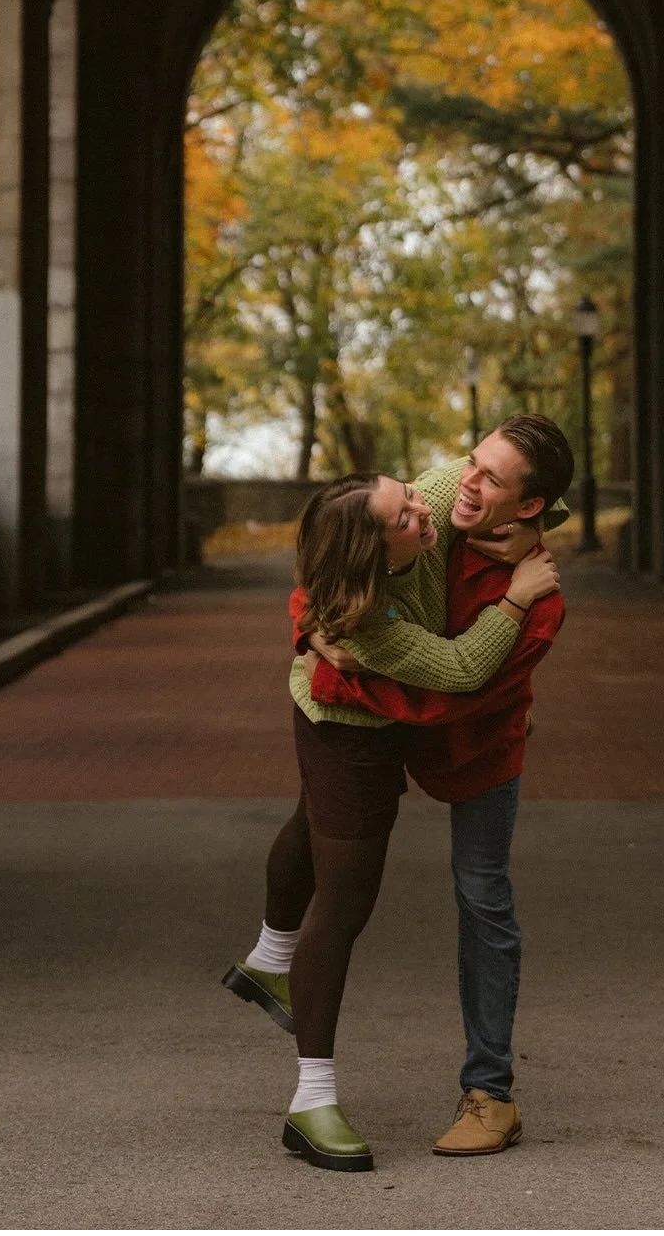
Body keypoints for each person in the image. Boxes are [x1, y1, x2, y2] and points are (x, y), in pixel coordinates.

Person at [223, 453, 562, 1173]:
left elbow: (511, 490)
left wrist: (531, 534)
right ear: (373, 557)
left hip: (357, 718)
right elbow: (462, 670)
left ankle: (269, 958)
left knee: (308, 826)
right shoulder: (367, 623)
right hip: (348, 732)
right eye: (405, 516)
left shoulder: (431, 505)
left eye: (409, 494)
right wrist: (516, 596)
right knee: (343, 906)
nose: (424, 510)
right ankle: (311, 1104)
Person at [301, 414, 573, 1158]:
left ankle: (491, 1094)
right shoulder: (441, 499)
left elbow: (455, 691)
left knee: (483, 895)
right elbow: (336, 560)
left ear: (527, 507)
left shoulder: (538, 600)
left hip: (477, 751)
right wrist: (318, 632)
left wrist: (357, 660)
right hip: (387, 733)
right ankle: (270, 957)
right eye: (472, 461)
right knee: (320, 813)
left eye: (490, 477)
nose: (464, 480)